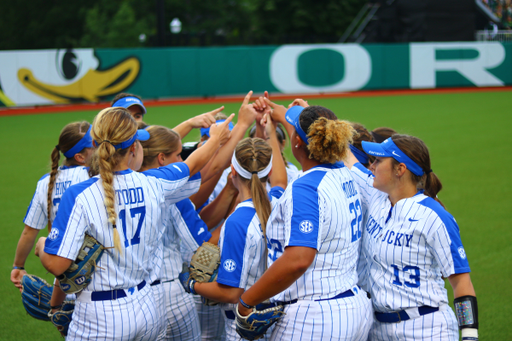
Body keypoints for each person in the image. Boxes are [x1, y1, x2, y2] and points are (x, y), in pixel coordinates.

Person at [35, 106, 232, 341]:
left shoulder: (79, 194)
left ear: (95, 144)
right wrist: (217, 138)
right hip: (147, 307)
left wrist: (41, 245)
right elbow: (194, 164)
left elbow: (58, 265)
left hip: (100, 316)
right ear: (134, 147)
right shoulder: (154, 182)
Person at [236, 103, 373, 340]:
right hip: (350, 306)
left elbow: (298, 259)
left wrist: (246, 300)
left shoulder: (307, 187)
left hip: (315, 317)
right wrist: (271, 129)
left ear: (298, 142)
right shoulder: (344, 173)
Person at [346, 135, 478, 340]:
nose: (371, 166)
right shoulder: (376, 196)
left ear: (400, 170)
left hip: (427, 328)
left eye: (378, 161)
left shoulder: (434, 216)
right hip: (378, 329)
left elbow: (462, 283)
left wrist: (470, 335)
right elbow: (346, 156)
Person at [182, 114, 288, 341]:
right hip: (278, 322)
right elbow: (279, 182)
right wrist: (269, 129)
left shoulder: (237, 222)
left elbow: (231, 292)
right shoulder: (279, 203)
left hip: (243, 327)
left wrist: (193, 285)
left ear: (232, 170)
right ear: (267, 172)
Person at [11, 121, 93, 292]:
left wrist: (18, 266)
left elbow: (29, 231)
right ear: (80, 157)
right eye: (96, 145)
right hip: (92, 269)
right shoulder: (93, 176)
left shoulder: (45, 182)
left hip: (63, 274)